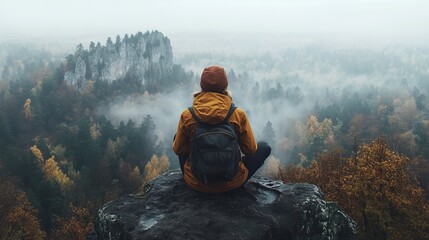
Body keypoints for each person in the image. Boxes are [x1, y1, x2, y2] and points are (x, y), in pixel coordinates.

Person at [173, 65, 271, 193]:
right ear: (225, 86)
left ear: (202, 86)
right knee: (264, 147)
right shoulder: (237, 114)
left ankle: (193, 176)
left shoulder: (187, 115)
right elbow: (250, 150)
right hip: (232, 183)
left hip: (197, 183)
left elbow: (178, 149)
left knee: (178, 139)